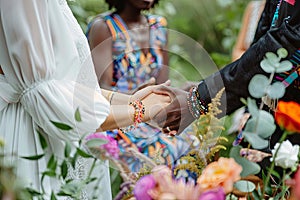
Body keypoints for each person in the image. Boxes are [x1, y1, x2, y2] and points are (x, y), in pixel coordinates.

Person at [0, 0, 170, 199]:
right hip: (33, 140)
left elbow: (67, 85)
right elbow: (47, 98)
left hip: (63, 135)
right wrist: (140, 111)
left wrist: (129, 101)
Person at [153, 0, 300, 146]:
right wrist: (250, 110)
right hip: (267, 118)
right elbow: (258, 54)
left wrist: (200, 98)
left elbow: (284, 42)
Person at [86, 0, 192, 172]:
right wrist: (134, 97)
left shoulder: (159, 26)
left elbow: (163, 82)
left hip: (152, 112)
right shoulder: (104, 27)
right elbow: (100, 87)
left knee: (190, 142)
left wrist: (168, 98)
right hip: (118, 115)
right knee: (162, 150)